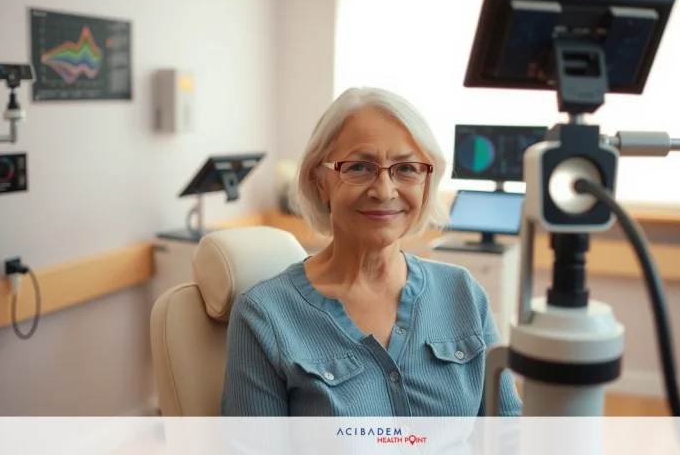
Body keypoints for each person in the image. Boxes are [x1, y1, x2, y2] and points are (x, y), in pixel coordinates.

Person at [221, 86, 522, 417]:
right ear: (320, 181)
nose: (384, 191)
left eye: (406, 169)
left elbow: (508, 433)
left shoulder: (462, 293)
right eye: (359, 168)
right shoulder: (266, 316)